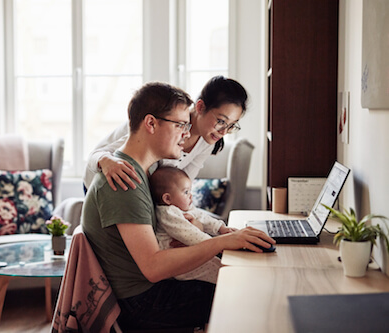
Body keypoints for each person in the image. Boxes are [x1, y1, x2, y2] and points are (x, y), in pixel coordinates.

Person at [81, 81, 275, 330]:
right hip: (141, 301)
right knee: (243, 294)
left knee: (239, 281)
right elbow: (153, 266)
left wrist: (210, 230)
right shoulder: (124, 177)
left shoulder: (147, 175)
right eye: (181, 125)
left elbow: (183, 197)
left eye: (187, 125)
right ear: (151, 124)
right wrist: (220, 242)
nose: (186, 134)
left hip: (145, 288)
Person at [83, 75, 248, 192]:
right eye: (221, 121)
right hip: (99, 178)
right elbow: (96, 155)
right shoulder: (164, 122)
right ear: (200, 107)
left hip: (135, 186)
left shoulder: (206, 141)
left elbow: (183, 184)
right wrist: (106, 161)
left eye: (232, 125)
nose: (224, 131)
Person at [149, 165, 238, 284]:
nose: (190, 195)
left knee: (223, 264)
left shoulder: (184, 207)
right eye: (186, 192)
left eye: (190, 191)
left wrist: (221, 228)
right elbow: (190, 235)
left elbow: (202, 217)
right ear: (167, 199)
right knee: (219, 271)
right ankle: (230, 285)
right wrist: (219, 245)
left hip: (193, 251)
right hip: (179, 263)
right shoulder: (168, 213)